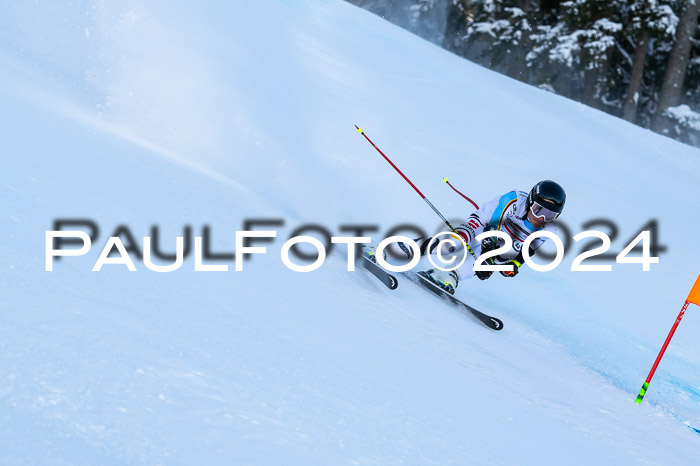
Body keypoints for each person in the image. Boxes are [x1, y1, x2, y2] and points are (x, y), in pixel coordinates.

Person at [397, 180, 566, 294]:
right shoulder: (513, 200)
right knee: (456, 243)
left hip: (505, 241)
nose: (541, 218)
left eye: (550, 215)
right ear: (530, 201)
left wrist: (512, 266)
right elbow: (491, 227)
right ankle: (403, 248)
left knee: (504, 255)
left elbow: (527, 251)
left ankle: (451, 274)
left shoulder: (548, 230)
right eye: (539, 210)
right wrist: (487, 257)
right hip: (483, 224)